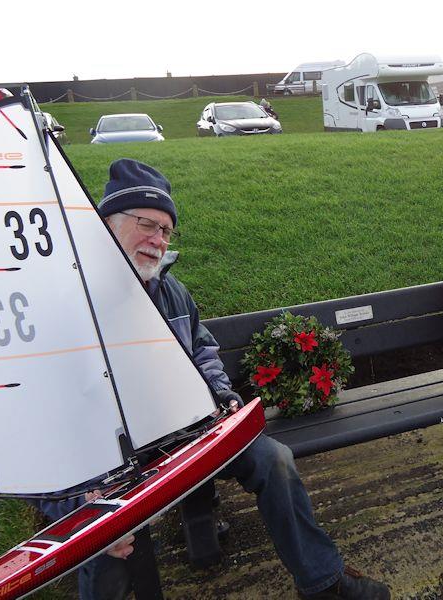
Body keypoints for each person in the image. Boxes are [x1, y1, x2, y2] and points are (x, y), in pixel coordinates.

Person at [36, 159, 390, 600]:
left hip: (190, 432)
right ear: (107, 224)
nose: (158, 240)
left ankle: (321, 582)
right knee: (106, 543)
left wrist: (222, 397)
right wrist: (72, 506)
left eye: (167, 230)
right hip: (112, 462)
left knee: (273, 460)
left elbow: (203, 349)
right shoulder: (69, 304)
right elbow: (41, 419)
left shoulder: (171, 290)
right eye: (147, 224)